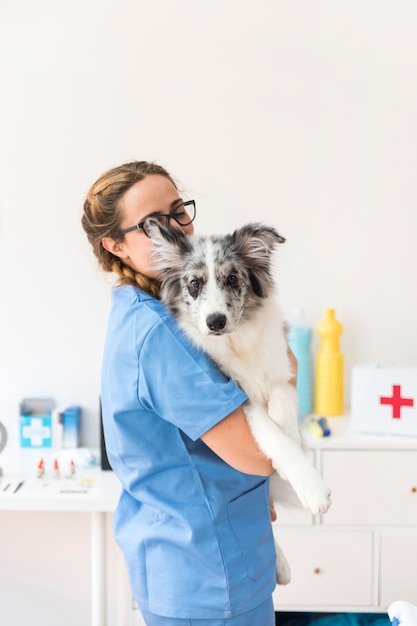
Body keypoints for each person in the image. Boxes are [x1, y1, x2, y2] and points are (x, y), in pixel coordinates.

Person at [82, 161, 294, 626]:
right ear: (114, 245)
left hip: (192, 556)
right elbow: (259, 456)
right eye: (152, 224)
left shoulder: (152, 306)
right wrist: (282, 359)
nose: (174, 229)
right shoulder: (162, 333)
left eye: (178, 211)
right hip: (210, 574)